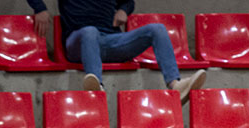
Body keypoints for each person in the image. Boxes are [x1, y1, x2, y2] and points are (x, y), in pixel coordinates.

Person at [27, 0, 206, 103]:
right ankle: (96, 88)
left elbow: (128, 1)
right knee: (90, 31)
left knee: (157, 29)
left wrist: (123, 10)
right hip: (78, 41)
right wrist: (40, 8)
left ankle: (175, 85)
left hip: (110, 40)